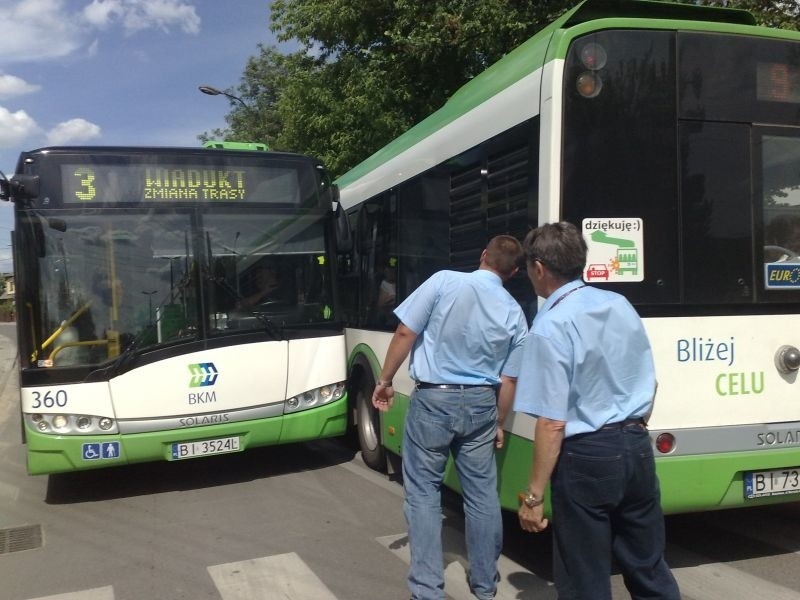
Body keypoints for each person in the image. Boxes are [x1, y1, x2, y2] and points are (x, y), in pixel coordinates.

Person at [513, 221, 680, 600]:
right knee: (647, 564)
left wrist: (534, 497)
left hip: (586, 456)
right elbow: (648, 380)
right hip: (635, 444)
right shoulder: (618, 304)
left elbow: (552, 421)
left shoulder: (550, 325)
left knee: (583, 575)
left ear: (539, 268)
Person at [371, 235, 529, 600]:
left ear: (483, 255)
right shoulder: (514, 311)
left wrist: (385, 380)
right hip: (481, 405)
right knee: (482, 496)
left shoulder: (443, 281)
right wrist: (500, 423)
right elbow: (509, 379)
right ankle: (485, 586)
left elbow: (406, 332)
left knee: (423, 493)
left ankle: (427, 590)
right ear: (514, 271)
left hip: (433, 400)